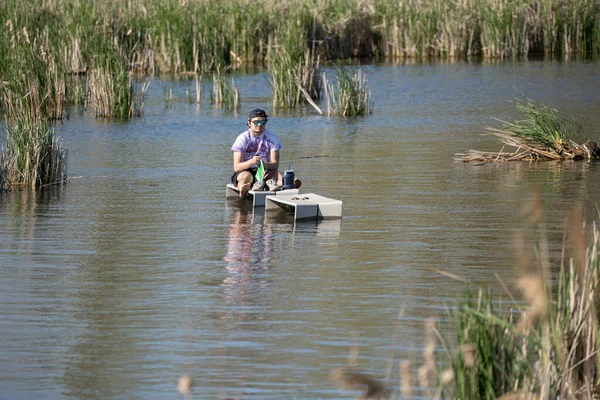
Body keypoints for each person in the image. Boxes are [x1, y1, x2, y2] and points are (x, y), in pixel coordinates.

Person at [231, 108, 301, 198]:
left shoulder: (272, 138)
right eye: (256, 122)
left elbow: (275, 165)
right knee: (246, 177)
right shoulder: (242, 139)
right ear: (249, 123)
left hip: (265, 171)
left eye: (263, 122)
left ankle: (290, 184)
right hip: (246, 170)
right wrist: (252, 162)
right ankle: (243, 188)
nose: (259, 125)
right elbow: (237, 167)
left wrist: (264, 165)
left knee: (276, 175)